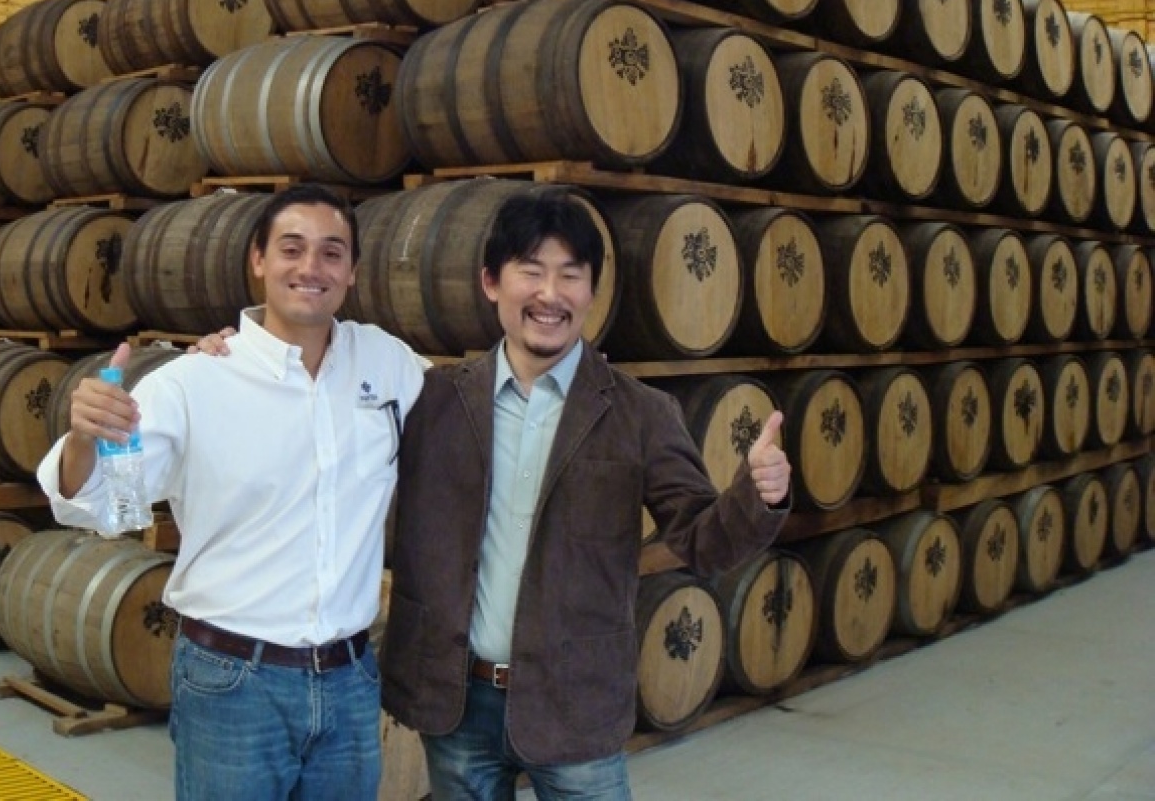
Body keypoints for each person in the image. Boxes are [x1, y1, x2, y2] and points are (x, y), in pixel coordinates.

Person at [199, 187, 791, 800]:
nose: (550, 294)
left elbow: (701, 541)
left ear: (592, 291)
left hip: (576, 704)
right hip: (457, 704)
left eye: (570, 275)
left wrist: (758, 496)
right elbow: (322, 410)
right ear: (491, 283)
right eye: (530, 272)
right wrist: (239, 353)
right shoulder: (433, 399)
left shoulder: (640, 413)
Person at [37, 183, 425, 801]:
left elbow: (471, 413)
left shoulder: (388, 364)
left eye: (331, 252)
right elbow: (103, 506)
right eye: (291, 248)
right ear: (258, 260)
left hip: (350, 682)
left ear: (352, 270)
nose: (311, 267)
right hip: (235, 682)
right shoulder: (195, 382)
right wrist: (85, 436)